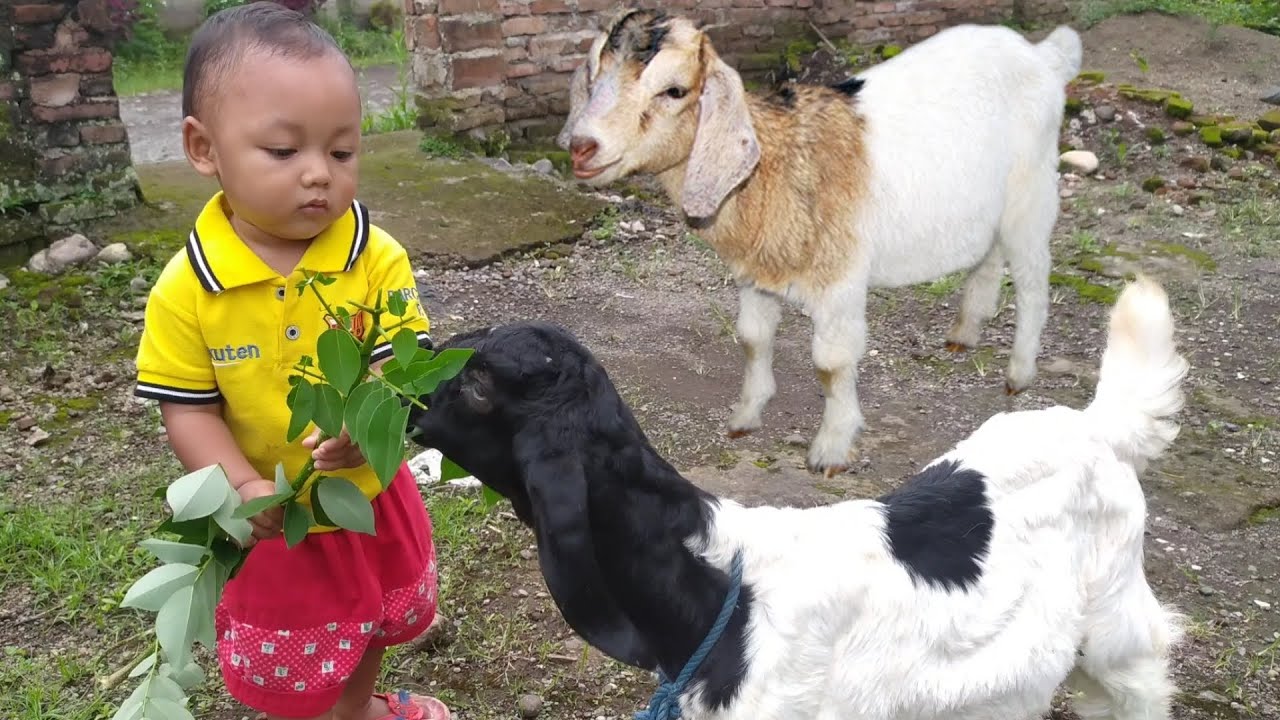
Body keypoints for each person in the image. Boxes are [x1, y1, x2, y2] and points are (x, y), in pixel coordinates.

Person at [132, 3, 448, 719]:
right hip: (272, 516)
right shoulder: (187, 290)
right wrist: (242, 485)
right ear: (203, 148)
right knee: (291, 643)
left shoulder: (374, 256)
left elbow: (407, 362)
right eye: (283, 152)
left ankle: (357, 710)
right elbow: (187, 407)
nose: (319, 177)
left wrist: (369, 419)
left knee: (367, 617)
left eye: (341, 153)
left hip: (362, 494)